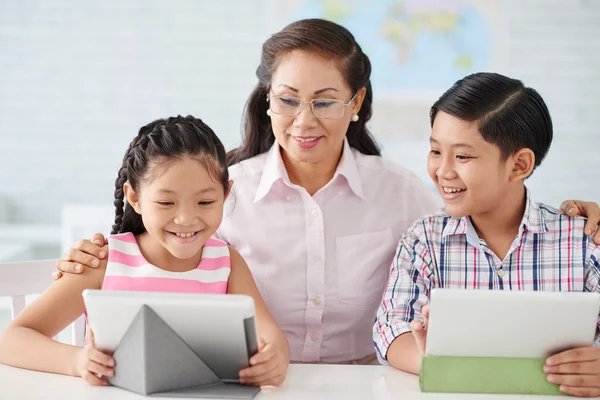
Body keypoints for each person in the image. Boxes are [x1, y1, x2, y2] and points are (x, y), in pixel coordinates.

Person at [53, 19, 600, 365]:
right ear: (268, 101)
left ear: (356, 101)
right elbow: (162, 242)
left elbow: (485, 209)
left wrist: (581, 214)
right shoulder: (220, 193)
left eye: (325, 100)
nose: (303, 120)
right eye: (288, 99)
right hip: (256, 382)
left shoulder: (405, 193)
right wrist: (101, 249)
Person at [0, 116, 289, 387]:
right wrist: (76, 361)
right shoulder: (104, 261)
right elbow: (12, 340)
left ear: (225, 194)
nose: (186, 219)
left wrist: (274, 358)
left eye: (204, 203)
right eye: (166, 203)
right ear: (135, 198)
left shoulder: (226, 263)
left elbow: (271, 337)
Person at [373, 73, 600, 397]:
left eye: (462, 156)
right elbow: (390, 329)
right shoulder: (424, 239)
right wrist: (430, 359)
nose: (443, 170)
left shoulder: (582, 241)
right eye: (436, 151)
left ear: (519, 164)